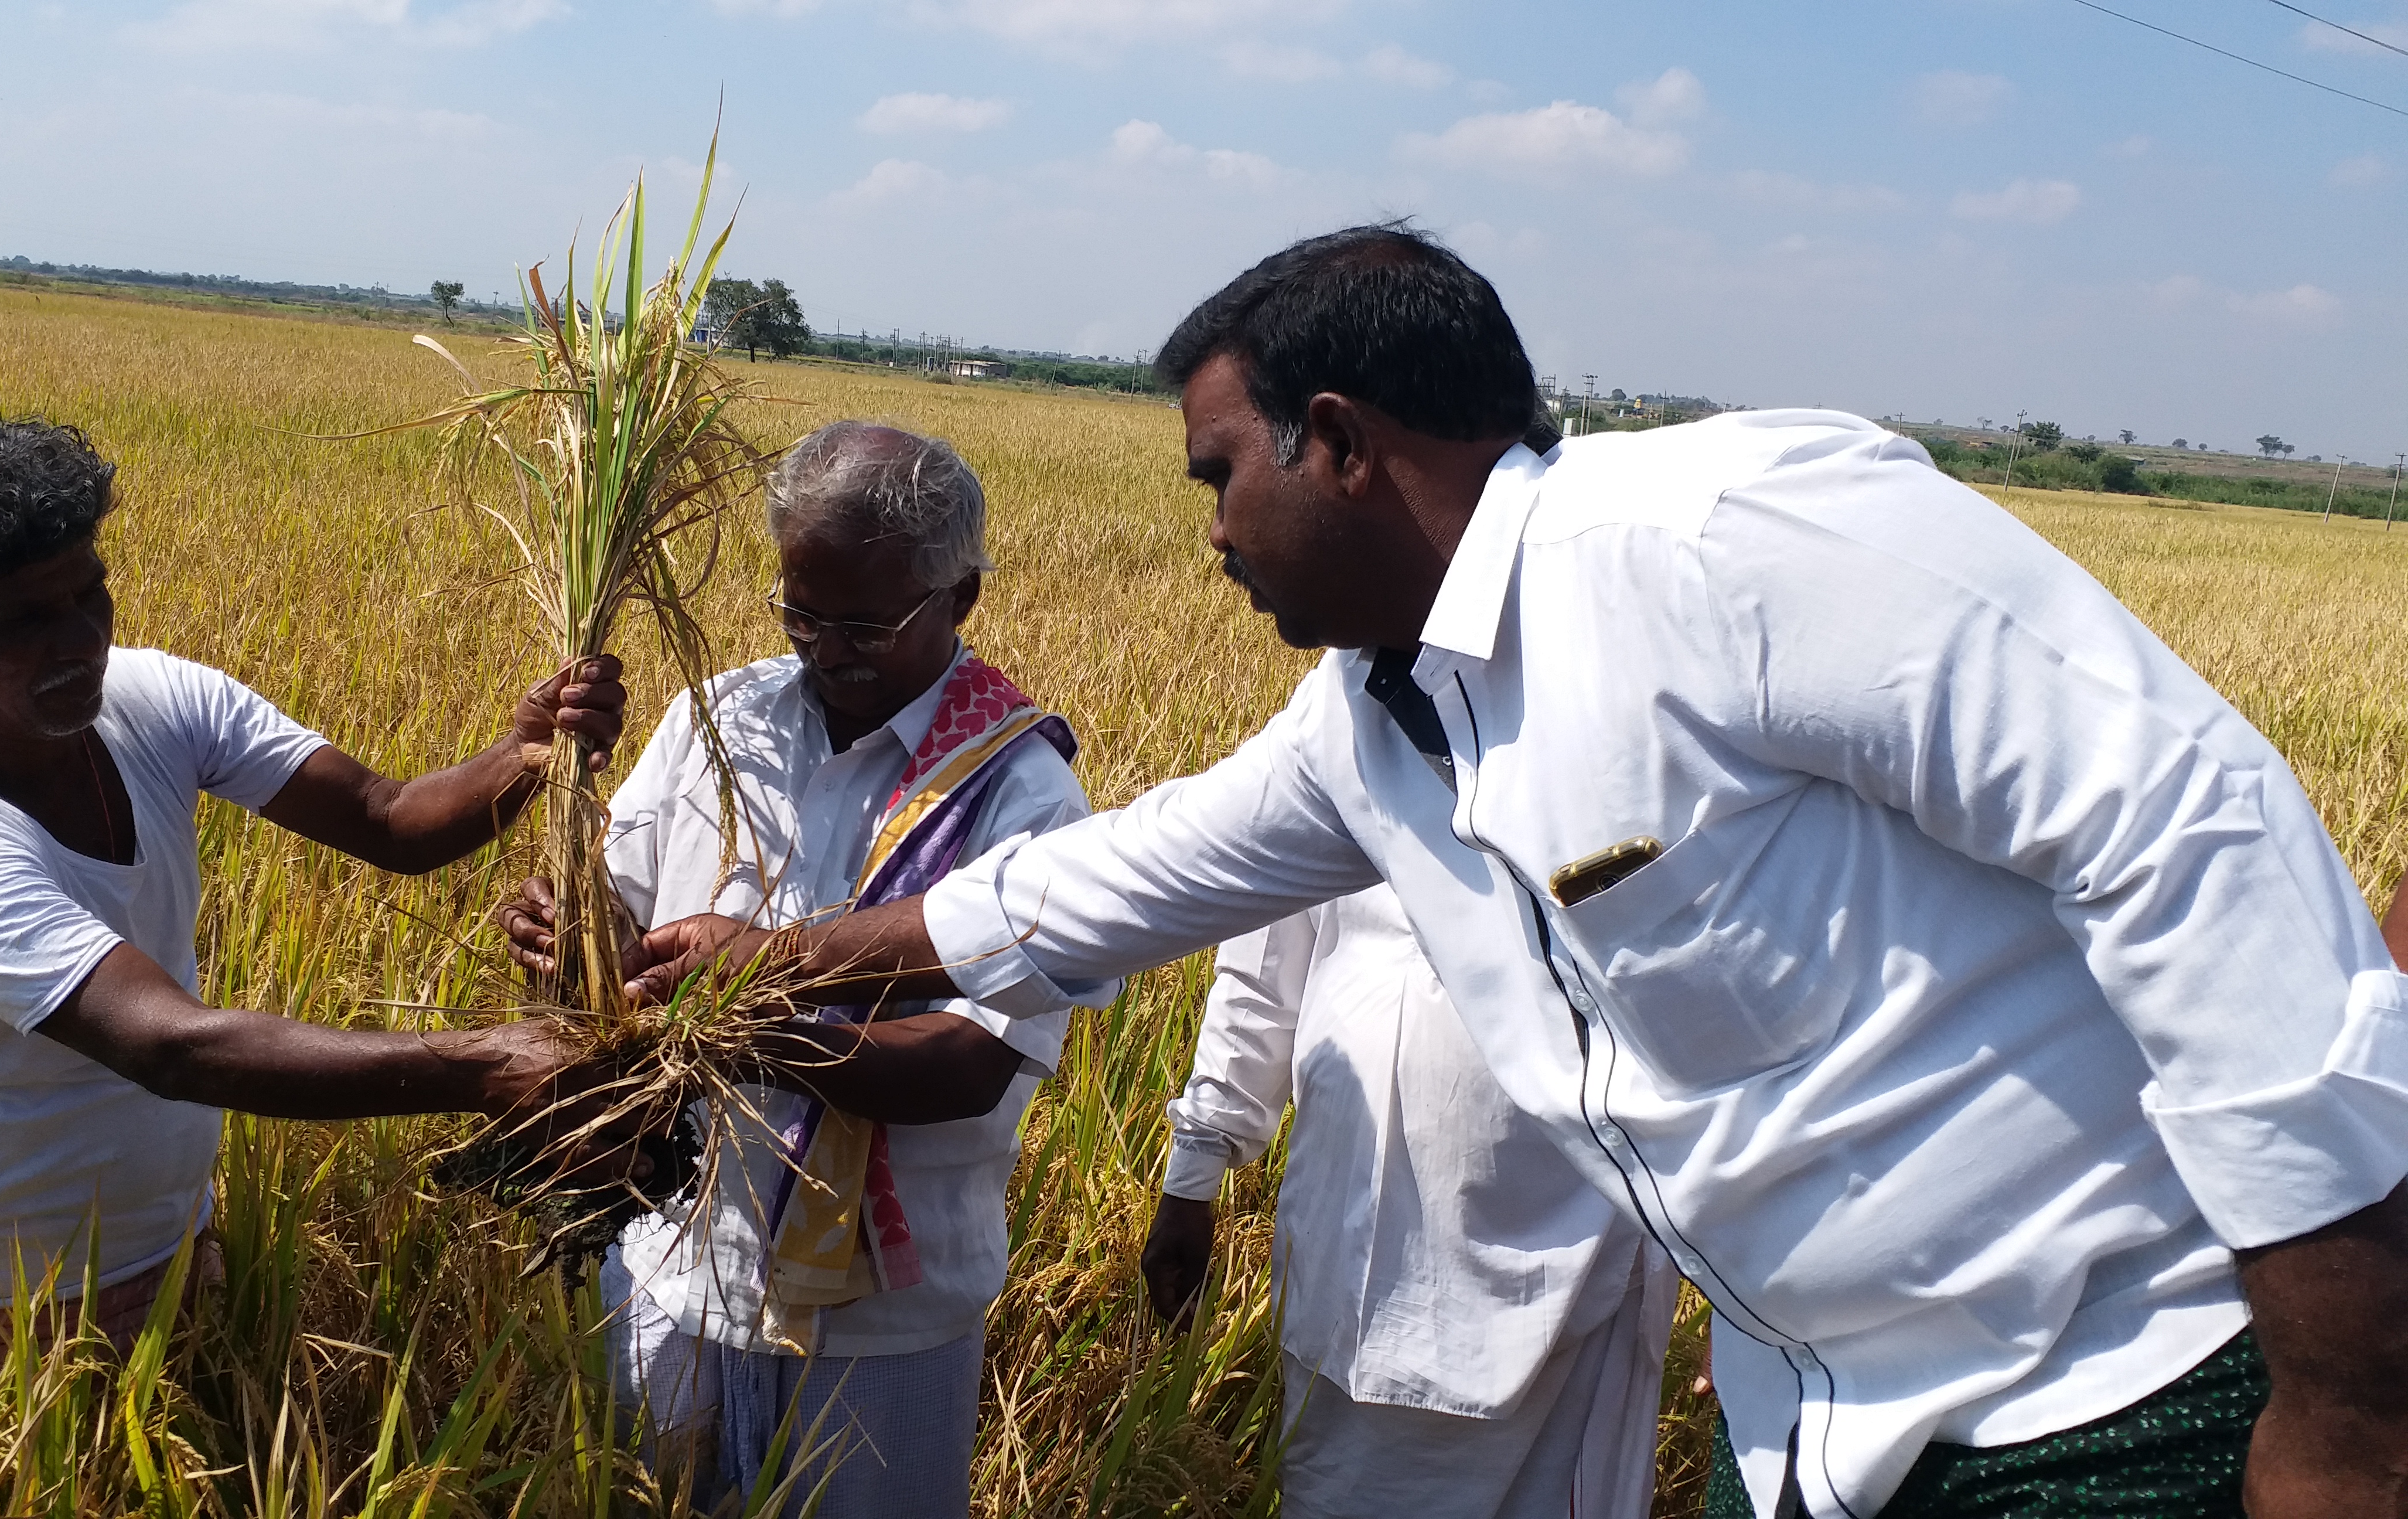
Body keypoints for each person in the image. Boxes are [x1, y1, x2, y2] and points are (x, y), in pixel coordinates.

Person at [619, 227, 2408, 1518]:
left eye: (1220, 475)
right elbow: (1086, 893)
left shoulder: (1723, 543)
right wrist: (756, 963)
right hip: (1820, 1424)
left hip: (2110, 1400)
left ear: (1343, 439)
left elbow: (2193, 836)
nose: (1213, 533)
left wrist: (2343, 1407)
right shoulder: (1375, 721)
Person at [0, 410, 627, 1403]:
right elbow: (170, 1045)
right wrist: (483, 1065)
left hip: (168, 1244)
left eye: (89, 593)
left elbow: (391, 820)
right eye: (23, 623)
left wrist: (530, 752)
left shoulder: (149, 699)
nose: (78, 642)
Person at [496, 421, 1100, 1518]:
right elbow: (613, 957)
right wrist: (565, 937)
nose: (827, 648)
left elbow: (970, 1063)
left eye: (865, 623)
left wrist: (741, 1008)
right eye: (801, 613)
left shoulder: (1018, 794)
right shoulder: (718, 718)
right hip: (674, 1257)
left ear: (959, 597)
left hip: (878, 1317)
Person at [1141, 883, 1676, 1518]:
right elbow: (1265, 958)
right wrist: (1197, 1165)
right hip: (1362, 1256)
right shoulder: (1343, 780)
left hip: (1588, 1244)